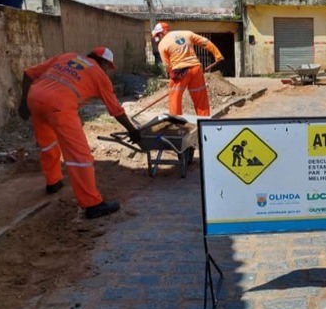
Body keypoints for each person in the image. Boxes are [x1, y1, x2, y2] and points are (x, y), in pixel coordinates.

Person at [17, 47, 141, 219]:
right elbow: (116, 110)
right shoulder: (99, 74)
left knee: (48, 144)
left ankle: (53, 182)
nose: (107, 70)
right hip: (59, 105)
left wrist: (24, 102)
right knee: (80, 157)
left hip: (35, 97)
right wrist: (133, 131)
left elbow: (29, 74)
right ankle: (92, 204)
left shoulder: (67, 56)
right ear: (104, 62)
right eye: (107, 67)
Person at [151, 22, 224, 116]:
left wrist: (171, 75)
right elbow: (205, 42)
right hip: (196, 69)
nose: (158, 38)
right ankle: (204, 120)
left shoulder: (162, 44)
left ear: (162, 32)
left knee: (174, 97)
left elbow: (167, 65)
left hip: (179, 72)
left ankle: (175, 121)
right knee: (200, 96)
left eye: (157, 35)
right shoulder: (186, 33)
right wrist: (217, 54)